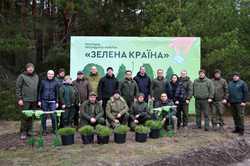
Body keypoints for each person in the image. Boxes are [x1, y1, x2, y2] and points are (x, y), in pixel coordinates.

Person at [16, 63, 39, 140]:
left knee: (31, 116)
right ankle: (23, 132)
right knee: (25, 116)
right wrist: (19, 99)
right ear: (26, 69)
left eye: (32, 68)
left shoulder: (36, 76)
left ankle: (30, 130)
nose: (30, 69)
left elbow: (38, 88)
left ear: (34, 68)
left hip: (34, 100)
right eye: (29, 68)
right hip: (25, 100)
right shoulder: (22, 76)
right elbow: (18, 88)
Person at [38, 70, 59, 135]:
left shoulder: (56, 83)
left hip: (53, 101)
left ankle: (55, 130)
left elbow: (57, 93)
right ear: (47, 74)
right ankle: (44, 130)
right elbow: (39, 92)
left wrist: (57, 102)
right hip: (44, 101)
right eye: (49, 74)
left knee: (53, 116)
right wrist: (39, 100)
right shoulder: (43, 82)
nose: (50, 75)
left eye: (52, 74)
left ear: (53, 75)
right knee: (44, 116)